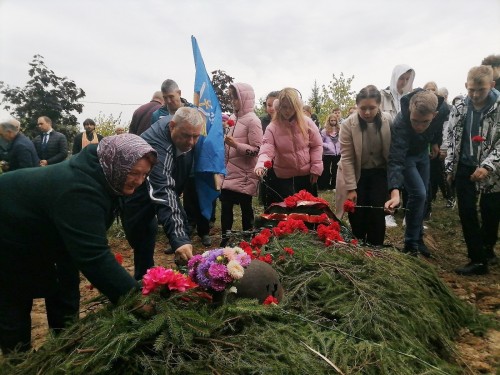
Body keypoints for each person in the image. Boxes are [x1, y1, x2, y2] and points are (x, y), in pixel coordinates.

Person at [0, 134, 157, 354]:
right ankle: (17, 360)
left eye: (145, 174)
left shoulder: (107, 175)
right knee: (15, 299)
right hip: (9, 232)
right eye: (133, 173)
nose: (139, 181)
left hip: (51, 234)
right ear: (115, 163)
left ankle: (65, 347)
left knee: (65, 282)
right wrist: (134, 298)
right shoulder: (79, 189)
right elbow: (93, 255)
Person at [122, 107, 204, 279]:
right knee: (143, 236)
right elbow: (163, 190)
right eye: (186, 136)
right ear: (172, 126)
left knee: (175, 225)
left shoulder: (181, 133)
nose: (191, 142)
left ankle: (160, 277)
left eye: (196, 136)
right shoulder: (157, 145)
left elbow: (171, 190)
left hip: (163, 190)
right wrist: (179, 239)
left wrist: (181, 237)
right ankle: (141, 286)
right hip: (136, 197)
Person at [444, 66, 499, 275]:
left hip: (493, 169)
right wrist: (450, 167)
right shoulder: (460, 107)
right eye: (471, 90)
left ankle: (488, 248)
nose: (475, 95)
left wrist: (488, 165)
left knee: (490, 210)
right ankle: (477, 259)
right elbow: (452, 137)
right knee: (466, 210)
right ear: (466, 86)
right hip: (465, 165)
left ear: (491, 86)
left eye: (481, 90)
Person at [385, 89, 448, 257]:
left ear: (434, 115)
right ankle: (410, 244)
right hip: (407, 156)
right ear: (410, 110)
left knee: (425, 193)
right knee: (418, 194)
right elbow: (396, 157)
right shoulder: (400, 122)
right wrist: (395, 191)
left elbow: (439, 127)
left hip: (423, 155)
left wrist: (435, 142)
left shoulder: (442, 111)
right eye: (415, 121)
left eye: (425, 122)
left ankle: (419, 238)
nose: (419, 126)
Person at [335, 85, 392, 246]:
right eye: (363, 108)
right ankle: (358, 244)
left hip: (379, 172)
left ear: (379, 105)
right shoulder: (348, 125)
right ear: (357, 106)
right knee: (357, 211)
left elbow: (392, 153)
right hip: (355, 172)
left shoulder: (388, 120)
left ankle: (376, 246)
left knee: (376, 212)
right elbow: (347, 158)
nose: (367, 113)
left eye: (372, 108)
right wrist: (351, 188)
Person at [255, 88, 323, 203]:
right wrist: (261, 165)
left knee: (307, 210)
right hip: (283, 179)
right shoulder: (272, 127)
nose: (287, 111)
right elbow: (267, 149)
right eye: (284, 107)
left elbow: (316, 146)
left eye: (290, 107)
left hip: (306, 176)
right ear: (279, 107)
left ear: (296, 107)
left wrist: (316, 168)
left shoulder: (307, 123)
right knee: (287, 212)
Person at [220, 83, 262, 247]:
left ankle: (248, 239)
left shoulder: (253, 121)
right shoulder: (233, 118)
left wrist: (235, 145)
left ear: (244, 98)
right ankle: (225, 238)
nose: (233, 101)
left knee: (246, 208)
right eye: (231, 97)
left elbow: (257, 150)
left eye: (235, 97)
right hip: (229, 173)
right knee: (225, 207)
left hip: (245, 174)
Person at [380, 64, 416, 228]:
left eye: (407, 79)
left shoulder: (411, 97)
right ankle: (388, 213)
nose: (404, 82)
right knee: (388, 177)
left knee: (408, 177)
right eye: (401, 78)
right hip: (387, 141)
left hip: (405, 143)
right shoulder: (383, 96)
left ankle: (410, 215)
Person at [318, 113, 341, 190]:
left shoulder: (340, 130)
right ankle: (325, 185)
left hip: (337, 154)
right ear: (329, 121)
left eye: (335, 120)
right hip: (327, 153)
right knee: (326, 171)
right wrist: (328, 146)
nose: (333, 122)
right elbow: (320, 142)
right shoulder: (324, 131)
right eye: (332, 120)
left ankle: (334, 185)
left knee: (336, 170)